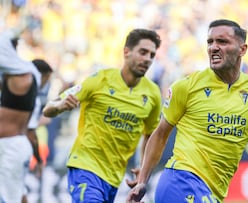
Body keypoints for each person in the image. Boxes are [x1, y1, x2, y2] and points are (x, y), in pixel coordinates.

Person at [127, 19, 248, 203]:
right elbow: (160, 135)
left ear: (242, 49)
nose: (213, 47)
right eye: (210, 42)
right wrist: (142, 181)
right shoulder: (187, 87)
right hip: (180, 180)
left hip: (213, 192)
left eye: (222, 42)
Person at [42, 28, 162, 203]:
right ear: (126, 52)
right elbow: (48, 108)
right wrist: (60, 106)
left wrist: (143, 169)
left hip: (114, 177)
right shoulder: (100, 80)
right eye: (143, 52)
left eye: (152, 55)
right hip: (85, 166)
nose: (147, 59)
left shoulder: (152, 93)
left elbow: (151, 135)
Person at [0, 30, 41, 202]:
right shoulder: (20, 73)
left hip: (11, 147)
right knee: (18, 196)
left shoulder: (23, 76)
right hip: (11, 147)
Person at [22, 59, 54, 203]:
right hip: (14, 150)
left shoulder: (11, 88)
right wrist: (39, 160)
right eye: (46, 79)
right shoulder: (31, 98)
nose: (45, 84)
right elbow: (30, 132)